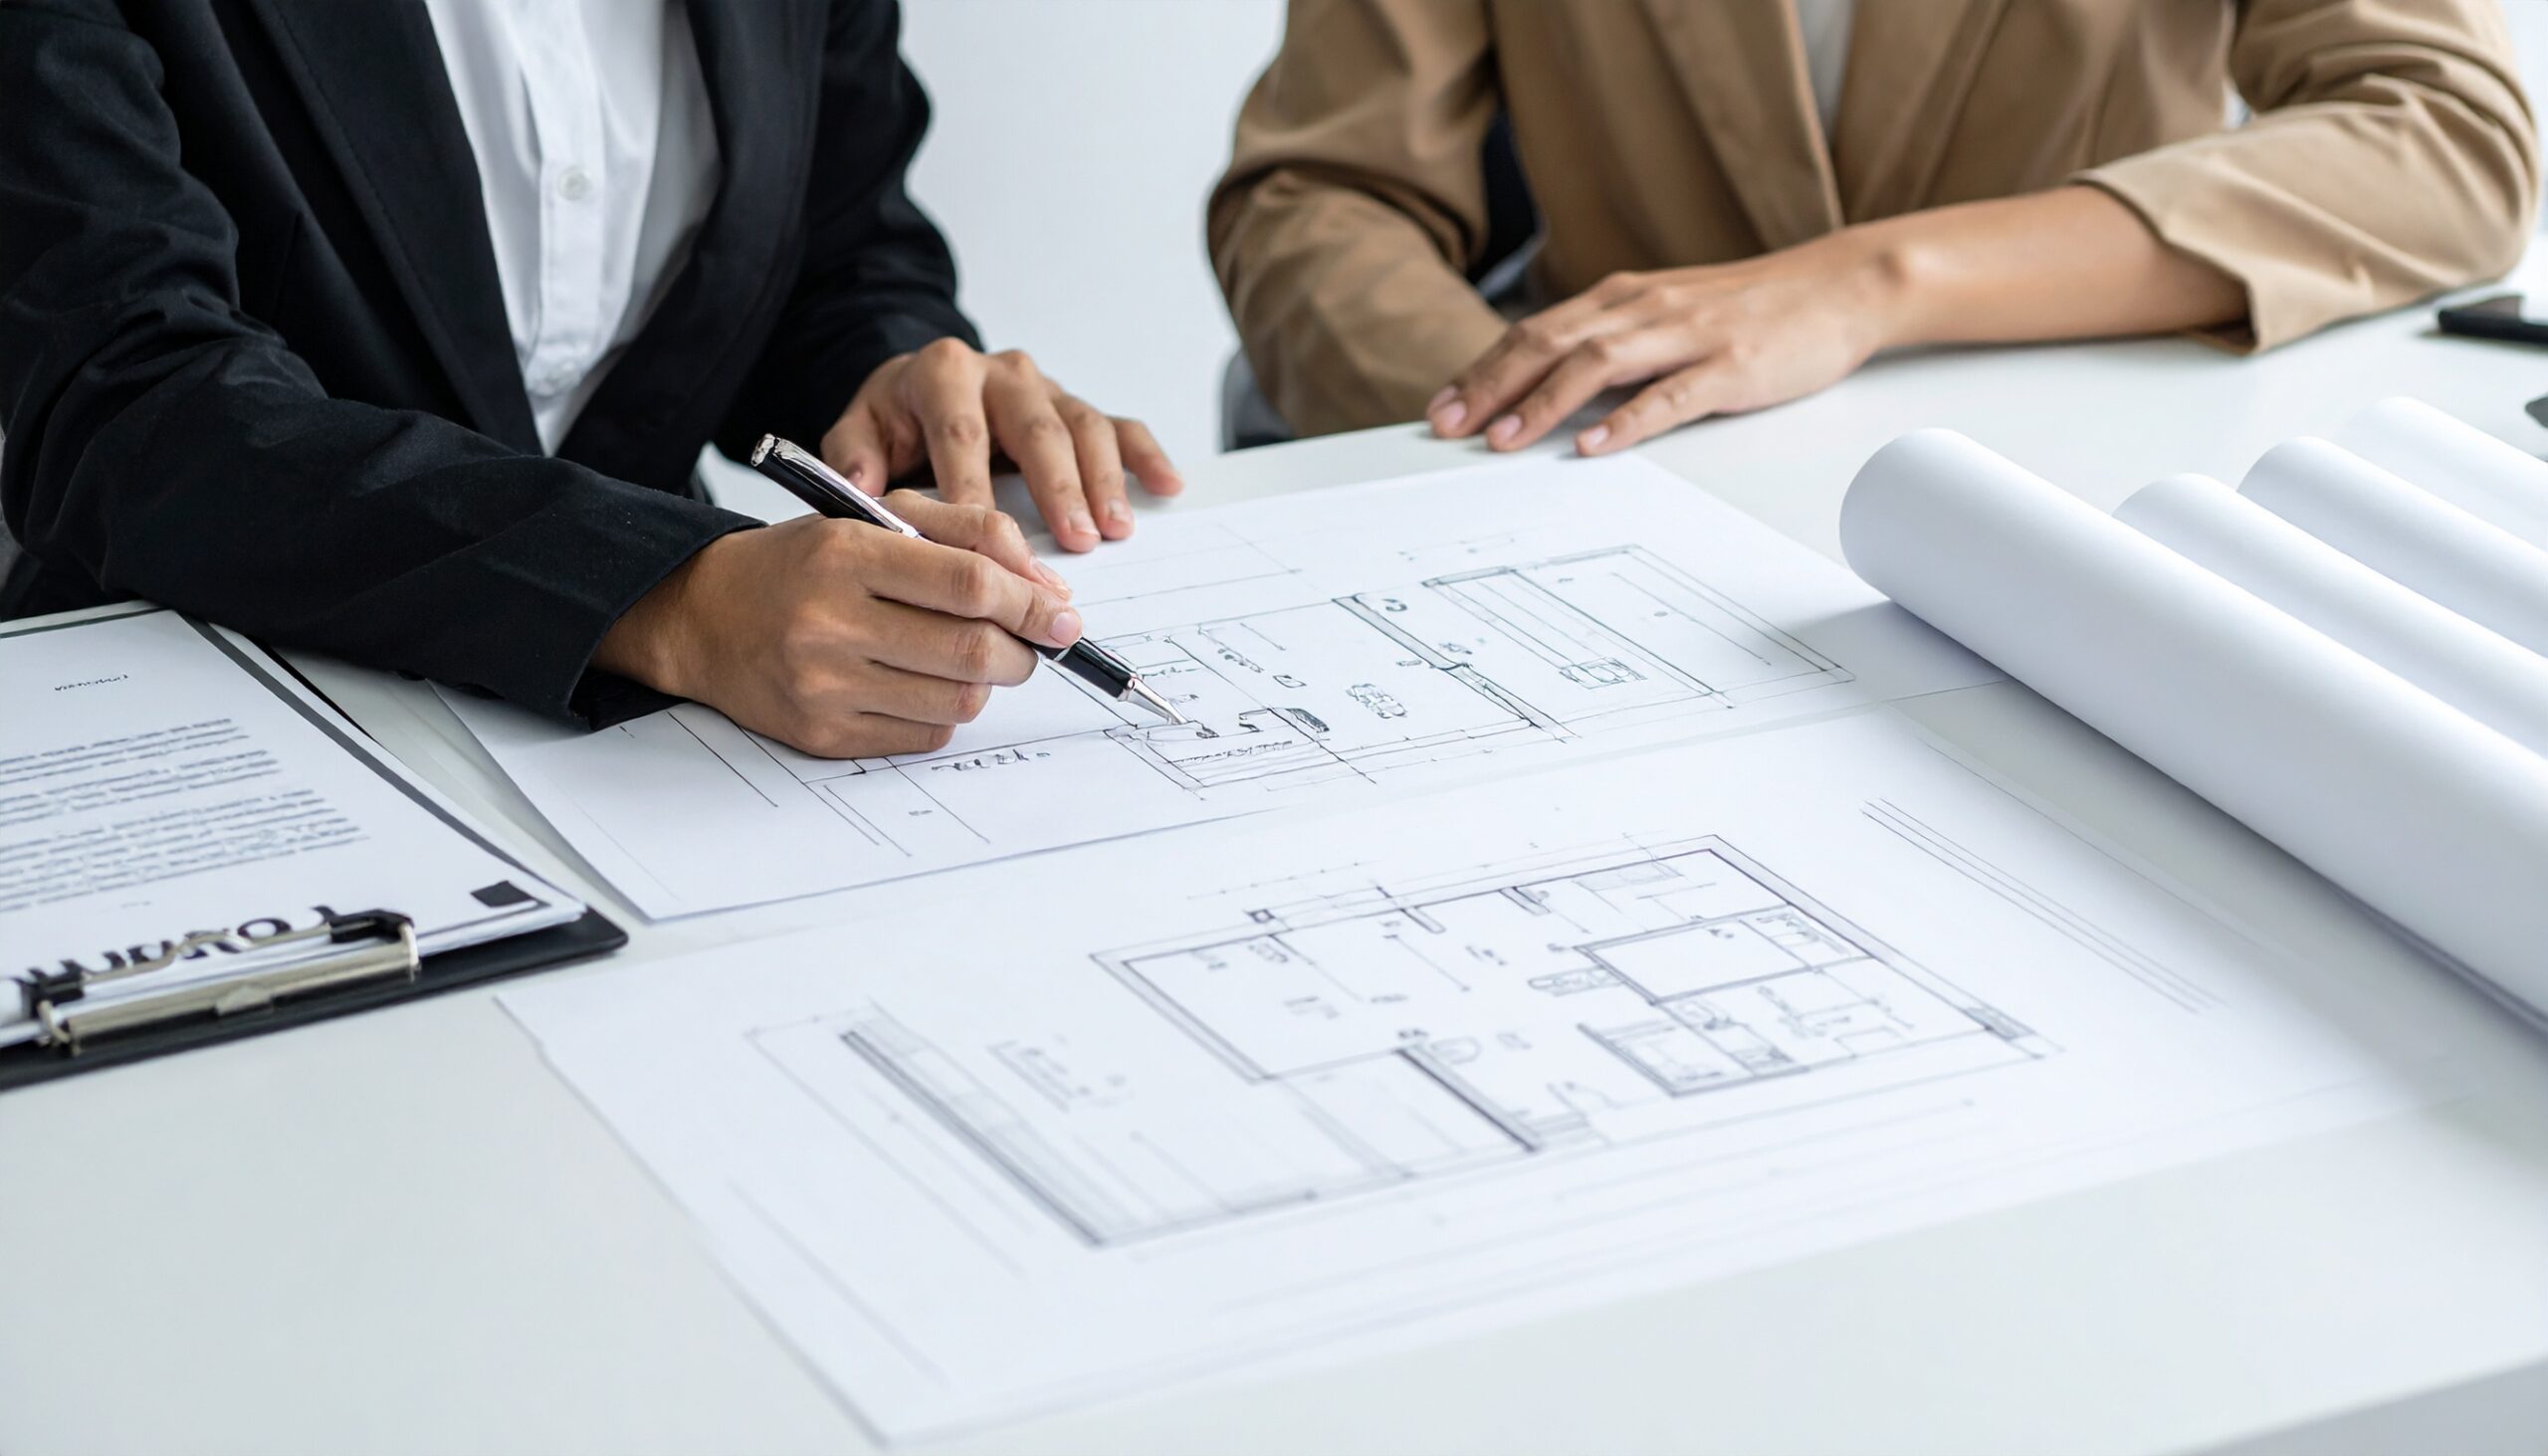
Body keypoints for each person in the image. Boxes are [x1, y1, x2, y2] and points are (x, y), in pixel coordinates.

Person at [0, 0, 1179, 759]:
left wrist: (897, 367)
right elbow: (130, 401)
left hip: (657, 768)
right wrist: (663, 592)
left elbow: (835, 235)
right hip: (209, 722)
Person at [1208, 0, 2540, 454]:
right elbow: (1323, 194)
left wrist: (1872, 283)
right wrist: (1534, 430)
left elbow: (2451, 134)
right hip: (1624, 484)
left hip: (2083, 472)